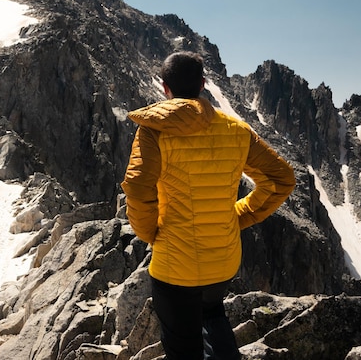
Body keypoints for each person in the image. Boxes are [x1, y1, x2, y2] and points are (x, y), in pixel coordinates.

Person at [121, 51, 296, 360]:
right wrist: (238, 215)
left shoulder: (153, 130)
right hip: (223, 260)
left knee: (182, 347)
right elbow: (281, 179)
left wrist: (151, 232)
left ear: (165, 88)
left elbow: (137, 186)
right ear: (202, 84)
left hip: (174, 266)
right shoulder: (237, 130)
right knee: (213, 315)